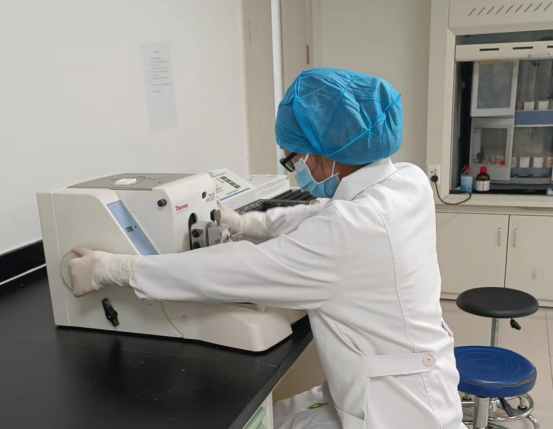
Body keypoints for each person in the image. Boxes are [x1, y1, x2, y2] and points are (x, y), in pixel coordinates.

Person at [69, 68, 464, 429]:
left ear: (321, 155)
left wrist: (114, 268)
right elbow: (323, 214)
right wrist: (246, 223)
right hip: (403, 383)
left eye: (293, 159)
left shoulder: (349, 231)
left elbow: (233, 270)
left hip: (396, 411)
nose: (298, 169)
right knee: (273, 419)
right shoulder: (406, 180)